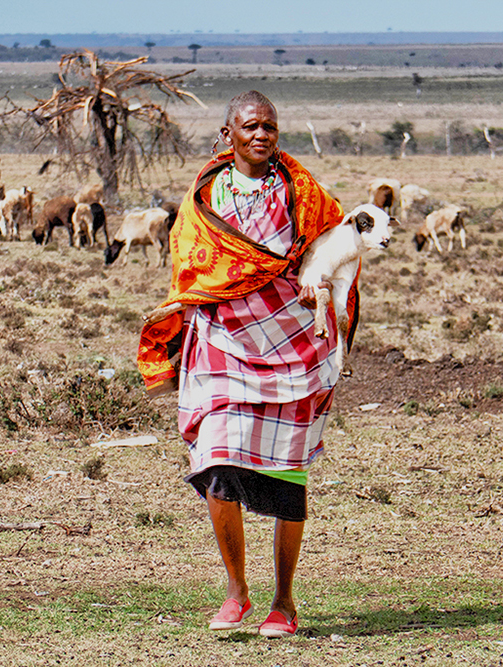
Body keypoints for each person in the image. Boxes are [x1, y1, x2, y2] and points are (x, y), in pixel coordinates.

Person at [137, 90, 352, 638]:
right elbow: (189, 266)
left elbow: (337, 242)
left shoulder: (299, 188)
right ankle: (237, 590)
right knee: (214, 459)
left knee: (285, 471)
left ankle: (284, 601)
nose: (261, 135)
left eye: (270, 127)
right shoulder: (204, 196)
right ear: (229, 133)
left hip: (292, 340)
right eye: (251, 126)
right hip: (223, 340)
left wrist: (316, 277)